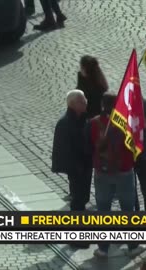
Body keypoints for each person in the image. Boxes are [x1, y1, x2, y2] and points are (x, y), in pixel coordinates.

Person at [85, 92, 145, 258]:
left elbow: (88, 146)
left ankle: (103, 248)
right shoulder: (126, 123)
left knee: (103, 211)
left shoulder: (94, 123)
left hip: (102, 172)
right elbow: (135, 145)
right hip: (124, 171)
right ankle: (132, 246)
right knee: (128, 210)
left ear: (102, 104)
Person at [51, 90, 92, 238]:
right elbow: (63, 150)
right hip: (76, 169)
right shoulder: (65, 123)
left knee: (84, 197)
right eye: (82, 100)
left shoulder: (84, 119)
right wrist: (76, 168)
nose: (86, 102)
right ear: (73, 104)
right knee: (78, 199)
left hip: (86, 166)